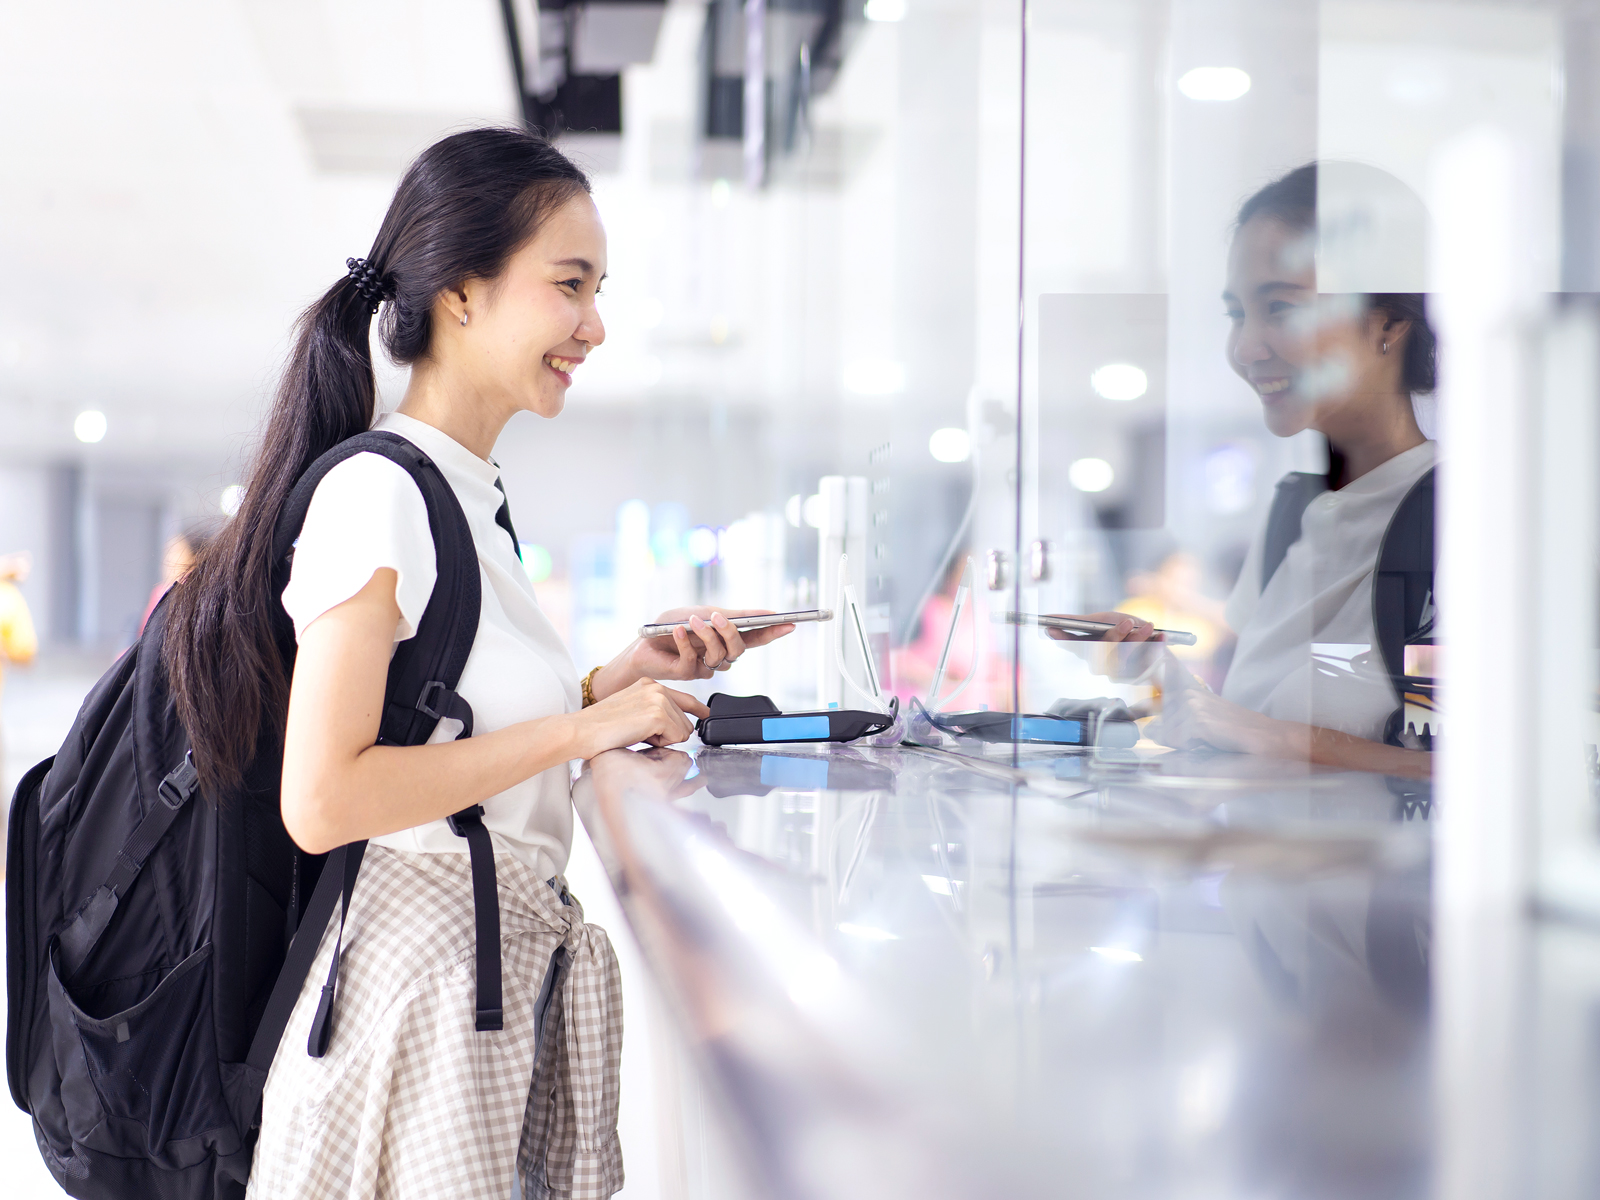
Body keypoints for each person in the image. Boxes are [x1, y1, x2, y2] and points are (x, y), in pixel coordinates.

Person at [162, 127, 794, 1199]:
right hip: (414, 1008)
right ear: (461, 293)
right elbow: (324, 798)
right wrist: (582, 729)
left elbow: (435, 719)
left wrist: (607, 679)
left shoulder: (468, 498)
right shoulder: (379, 495)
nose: (594, 325)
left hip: (468, 991)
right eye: (569, 286)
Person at [1057, 163, 1435, 780]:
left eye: (1280, 308)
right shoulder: (1294, 514)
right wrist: (1163, 679)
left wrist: (1277, 738)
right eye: (1238, 314)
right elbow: (1249, 729)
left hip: (1381, 876)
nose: (1246, 347)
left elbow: (1494, 777)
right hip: (1269, 870)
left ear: (1389, 319)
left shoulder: (1463, 521)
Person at [137, 523, 214, 634]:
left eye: (175, 552)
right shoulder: (160, 593)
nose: (167, 560)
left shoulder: (200, 597)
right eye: (168, 552)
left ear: (196, 558)